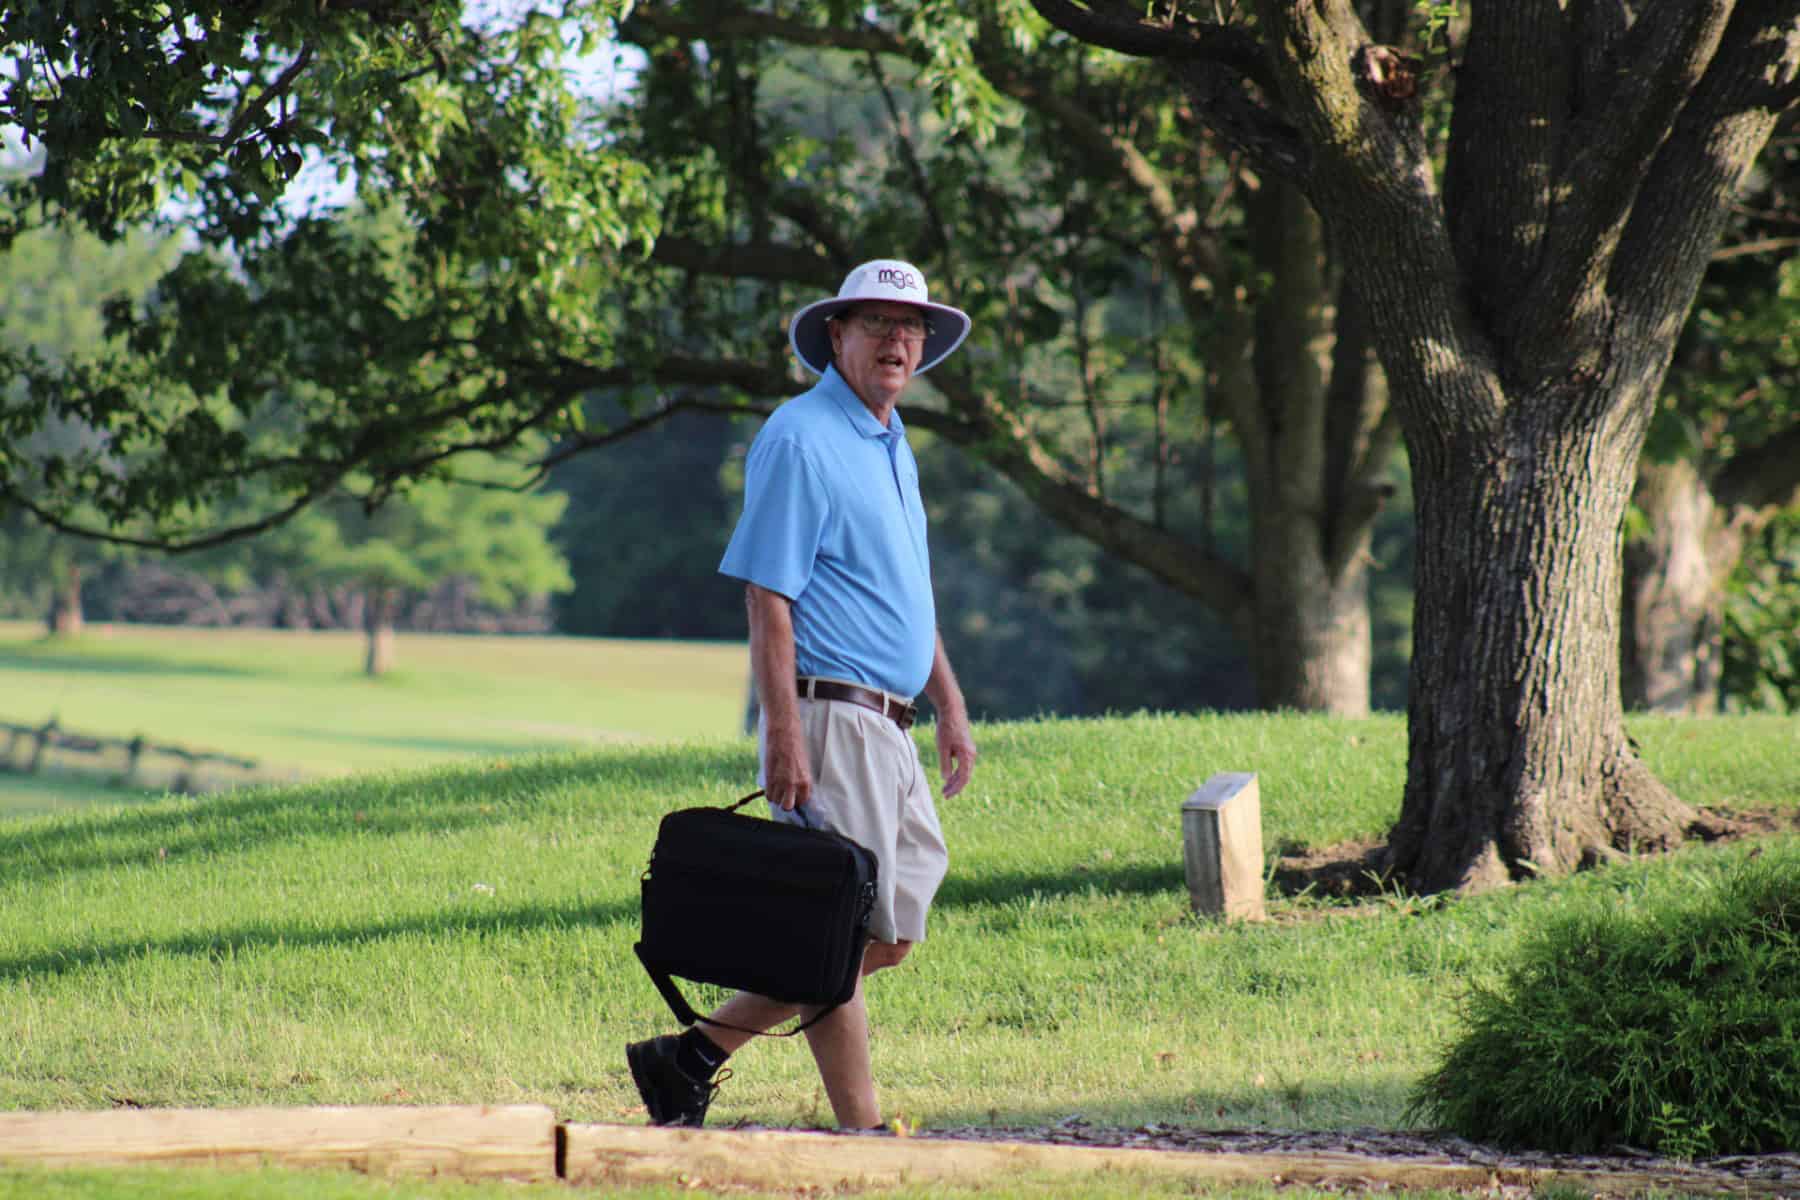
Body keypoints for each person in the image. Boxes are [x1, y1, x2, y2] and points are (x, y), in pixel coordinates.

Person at [625, 259, 979, 1131]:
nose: (897, 340)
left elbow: (906, 591)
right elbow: (767, 595)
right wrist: (784, 734)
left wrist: (949, 703)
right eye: (877, 323)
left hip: (889, 725)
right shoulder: (801, 437)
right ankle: (863, 1132)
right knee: (836, 929)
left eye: (911, 327)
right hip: (830, 720)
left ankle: (690, 1057)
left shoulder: (891, 441)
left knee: (888, 934)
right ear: (836, 334)